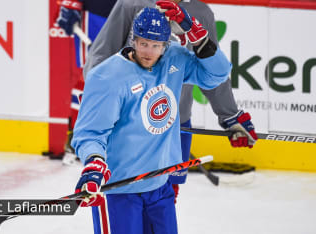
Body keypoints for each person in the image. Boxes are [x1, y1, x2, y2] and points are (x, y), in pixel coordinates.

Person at [72, 6, 232, 233]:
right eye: (143, 43)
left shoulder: (174, 59)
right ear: (133, 40)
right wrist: (94, 161)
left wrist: (199, 37)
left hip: (159, 185)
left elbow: (218, 74)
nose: (148, 51)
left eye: (156, 45)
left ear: (165, 45)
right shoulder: (107, 77)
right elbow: (90, 133)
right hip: (119, 190)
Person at [83, 0, 258, 194]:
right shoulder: (131, 4)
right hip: (130, 127)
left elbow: (209, 67)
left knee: (166, 198)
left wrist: (229, 116)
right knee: (126, 198)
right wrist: (98, 99)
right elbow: (100, 55)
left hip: (174, 125)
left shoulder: (200, 12)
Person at [56, 0, 117, 165]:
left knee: (126, 76)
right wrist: (71, 3)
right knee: (88, 77)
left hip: (133, 10)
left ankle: (120, 143)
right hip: (96, 14)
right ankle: (77, 142)